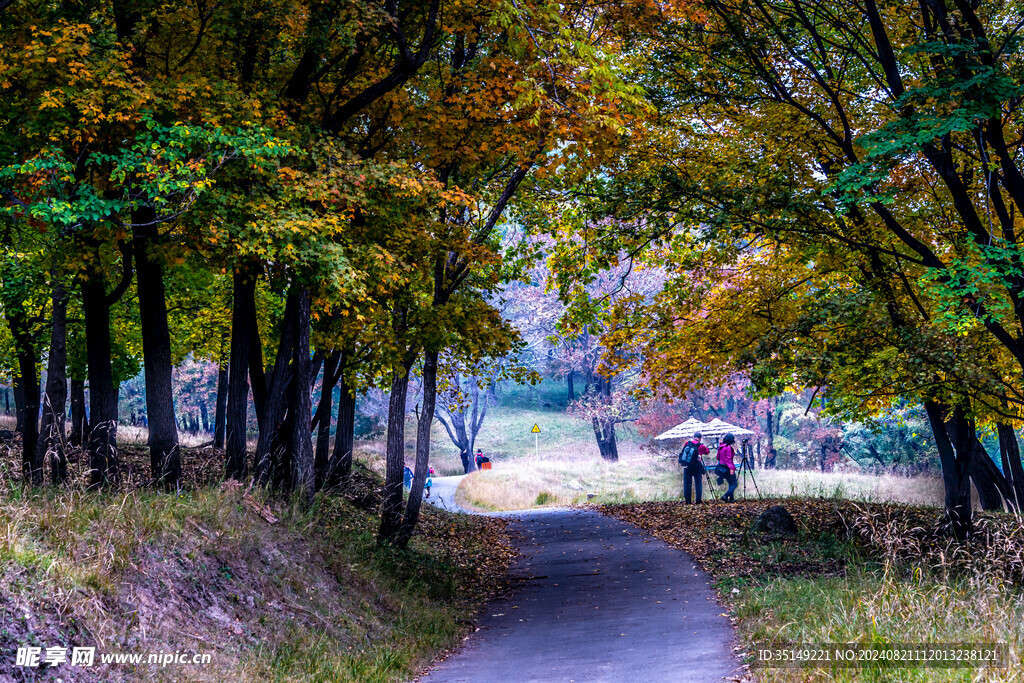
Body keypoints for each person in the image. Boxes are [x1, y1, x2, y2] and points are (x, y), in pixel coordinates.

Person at [679, 432, 710, 504]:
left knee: (687, 483)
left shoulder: (687, 444)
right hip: (697, 466)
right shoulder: (701, 446)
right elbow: (707, 452)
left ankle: (688, 501)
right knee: (698, 483)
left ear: (693, 437)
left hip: (687, 466)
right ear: (700, 438)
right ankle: (698, 500)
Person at [716, 433, 739, 502]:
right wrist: (731, 469)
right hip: (728, 468)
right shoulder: (728, 447)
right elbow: (728, 460)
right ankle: (725, 496)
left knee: (730, 483)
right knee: (734, 484)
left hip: (722, 468)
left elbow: (718, 457)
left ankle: (731, 499)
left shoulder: (720, 447)